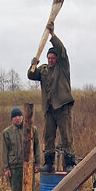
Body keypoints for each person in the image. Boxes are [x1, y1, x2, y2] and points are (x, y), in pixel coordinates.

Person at [28, 22, 76, 172]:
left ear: (57, 58)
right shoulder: (44, 70)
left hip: (62, 106)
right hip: (49, 108)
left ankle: (69, 163)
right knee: (48, 136)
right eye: (48, 58)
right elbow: (31, 75)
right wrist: (33, 64)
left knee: (66, 135)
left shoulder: (62, 67)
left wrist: (52, 35)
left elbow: (62, 50)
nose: (50, 60)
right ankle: (49, 163)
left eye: (53, 58)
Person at [1, 106, 42, 191]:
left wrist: (37, 163)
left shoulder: (31, 129)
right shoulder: (7, 133)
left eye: (19, 116)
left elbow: (37, 147)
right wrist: (6, 168)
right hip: (14, 167)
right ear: (12, 119)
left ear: (23, 117)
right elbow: (4, 151)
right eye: (15, 117)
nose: (17, 118)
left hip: (29, 166)